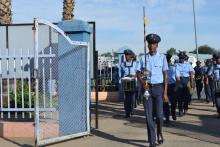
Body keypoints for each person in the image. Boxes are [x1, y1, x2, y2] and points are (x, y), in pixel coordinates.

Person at [137, 33, 168, 147]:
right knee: (149, 116)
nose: (151, 46)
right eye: (149, 44)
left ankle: (159, 132)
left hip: (159, 88)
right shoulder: (143, 58)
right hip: (147, 89)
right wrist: (142, 83)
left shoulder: (162, 57)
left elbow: (165, 75)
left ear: (157, 45)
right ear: (147, 45)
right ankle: (152, 140)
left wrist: (165, 92)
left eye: (153, 44)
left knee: (160, 115)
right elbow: (138, 73)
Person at [175, 52, 194, 116]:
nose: (181, 59)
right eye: (180, 58)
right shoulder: (177, 65)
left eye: (182, 58)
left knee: (187, 96)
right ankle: (180, 110)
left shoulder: (188, 64)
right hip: (180, 80)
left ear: (184, 58)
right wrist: (178, 82)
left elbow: (191, 72)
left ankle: (185, 108)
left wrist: (191, 82)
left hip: (187, 80)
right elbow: (177, 74)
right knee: (179, 96)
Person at [120, 49, 138, 118]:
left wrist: (135, 76)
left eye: (128, 55)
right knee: (126, 98)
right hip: (126, 82)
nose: (126, 56)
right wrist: (121, 80)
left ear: (131, 56)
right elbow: (121, 74)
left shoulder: (135, 64)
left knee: (133, 98)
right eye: (125, 55)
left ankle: (132, 110)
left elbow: (138, 72)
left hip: (133, 81)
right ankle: (127, 112)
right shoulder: (122, 64)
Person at [163, 54, 180, 124]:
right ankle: (167, 118)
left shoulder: (174, 68)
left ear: (169, 60)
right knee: (165, 103)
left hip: (172, 86)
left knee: (173, 102)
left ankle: (173, 112)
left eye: (167, 60)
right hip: (164, 86)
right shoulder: (161, 68)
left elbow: (178, 79)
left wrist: (176, 87)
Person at [208, 54, 220, 118]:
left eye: (219, 58)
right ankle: (219, 111)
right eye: (217, 58)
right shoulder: (213, 67)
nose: (218, 59)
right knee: (217, 100)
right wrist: (211, 76)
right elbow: (209, 74)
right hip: (217, 83)